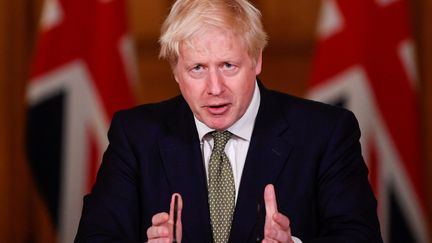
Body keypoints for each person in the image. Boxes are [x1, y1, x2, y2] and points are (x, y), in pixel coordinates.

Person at [75, 0, 382, 242]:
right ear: (176, 71)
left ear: (257, 59)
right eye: (197, 68)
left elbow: (361, 237)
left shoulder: (326, 132)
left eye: (228, 65)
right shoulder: (136, 135)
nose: (215, 88)